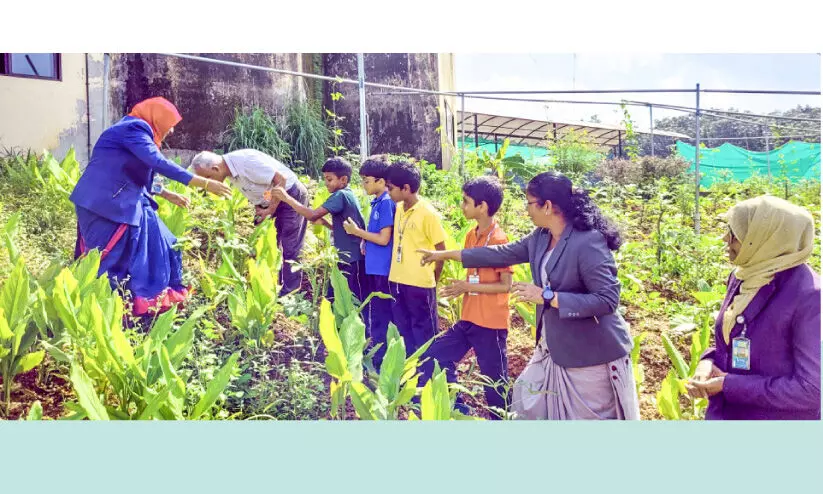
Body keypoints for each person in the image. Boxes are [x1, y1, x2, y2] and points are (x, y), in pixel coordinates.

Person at [420, 171, 639, 420]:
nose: (527, 210)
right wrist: (444, 255)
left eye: (529, 204)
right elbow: (499, 254)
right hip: (554, 345)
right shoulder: (541, 237)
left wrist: (547, 296)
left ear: (547, 206)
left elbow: (607, 300)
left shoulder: (587, 242)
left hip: (591, 354)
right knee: (524, 404)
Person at [70, 97, 231, 315]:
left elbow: (138, 170)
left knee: (165, 242)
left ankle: (136, 302)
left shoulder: (136, 133)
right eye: (170, 125)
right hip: (104, 205)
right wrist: (204, 182)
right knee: (108, 257)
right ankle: (98, 310)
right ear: (158, 119)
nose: (170, 132)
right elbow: (157, 162)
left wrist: (166, 193)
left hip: (121, 201)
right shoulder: (134, 128)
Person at [686, 195, 821, 420]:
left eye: (736, 234)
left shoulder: (810, 297)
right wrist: (707, 363)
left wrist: (730, 385)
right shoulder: (744, 275)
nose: (724, 239)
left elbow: (812, 391)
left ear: (766, 238)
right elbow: (732, 340)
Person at [418, 176, 513, 419]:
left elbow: (505, 285)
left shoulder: (500, 240)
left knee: (495, 384)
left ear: (482, 206)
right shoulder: (472, 235)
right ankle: (460, 410)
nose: (462, 206)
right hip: (469, 318)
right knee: (434, 356)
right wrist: (464, 286)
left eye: (466, 201)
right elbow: (478, 276)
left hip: (490, 323)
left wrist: (466, 286)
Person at [190, 148, 308, 296]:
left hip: (290, 195)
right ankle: (272, 286)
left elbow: (281, 180)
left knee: (290, 245)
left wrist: (270, 209)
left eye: (207, 177)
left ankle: (291, 293)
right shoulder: (228, 170)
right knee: (270, 246)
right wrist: (259, 206)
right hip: (272, 200)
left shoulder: (245, 162)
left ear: (215, 169)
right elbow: (257, 188)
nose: (207, 183)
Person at [272, 157, 367, 302]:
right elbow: (345, 226)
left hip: (350, 259)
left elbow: (312, 215)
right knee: (336, 298)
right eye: (325, 179)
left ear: (343, 179)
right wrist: (326, 224)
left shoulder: (340, 195)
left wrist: (287, 198)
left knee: (347, 300)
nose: (326, 183)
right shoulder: (348, 194)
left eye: (329, 179)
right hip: (348, 258)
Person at [385, 160, 447, 355]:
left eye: (391, 188)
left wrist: (433, 280)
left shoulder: (428, 214)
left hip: (420, 284)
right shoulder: (399, 209)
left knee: (425, 335)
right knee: (404, 332)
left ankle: (428, 377)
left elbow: (441, 252)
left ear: (406, 188)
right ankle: (410, 376)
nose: (388, 192)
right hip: (397, 279)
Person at [341, 155, 396, 367]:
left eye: (367, 180)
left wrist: (358, 233)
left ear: (381, 182)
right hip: (374, 267)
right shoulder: (377, 202)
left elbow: (384, 239)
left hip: (383, 270)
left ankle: (382, 359)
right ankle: (378, 355)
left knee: (382, 316)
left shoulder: (386, 203)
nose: (363, 185)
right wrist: (365, 241)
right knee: (376, 313)